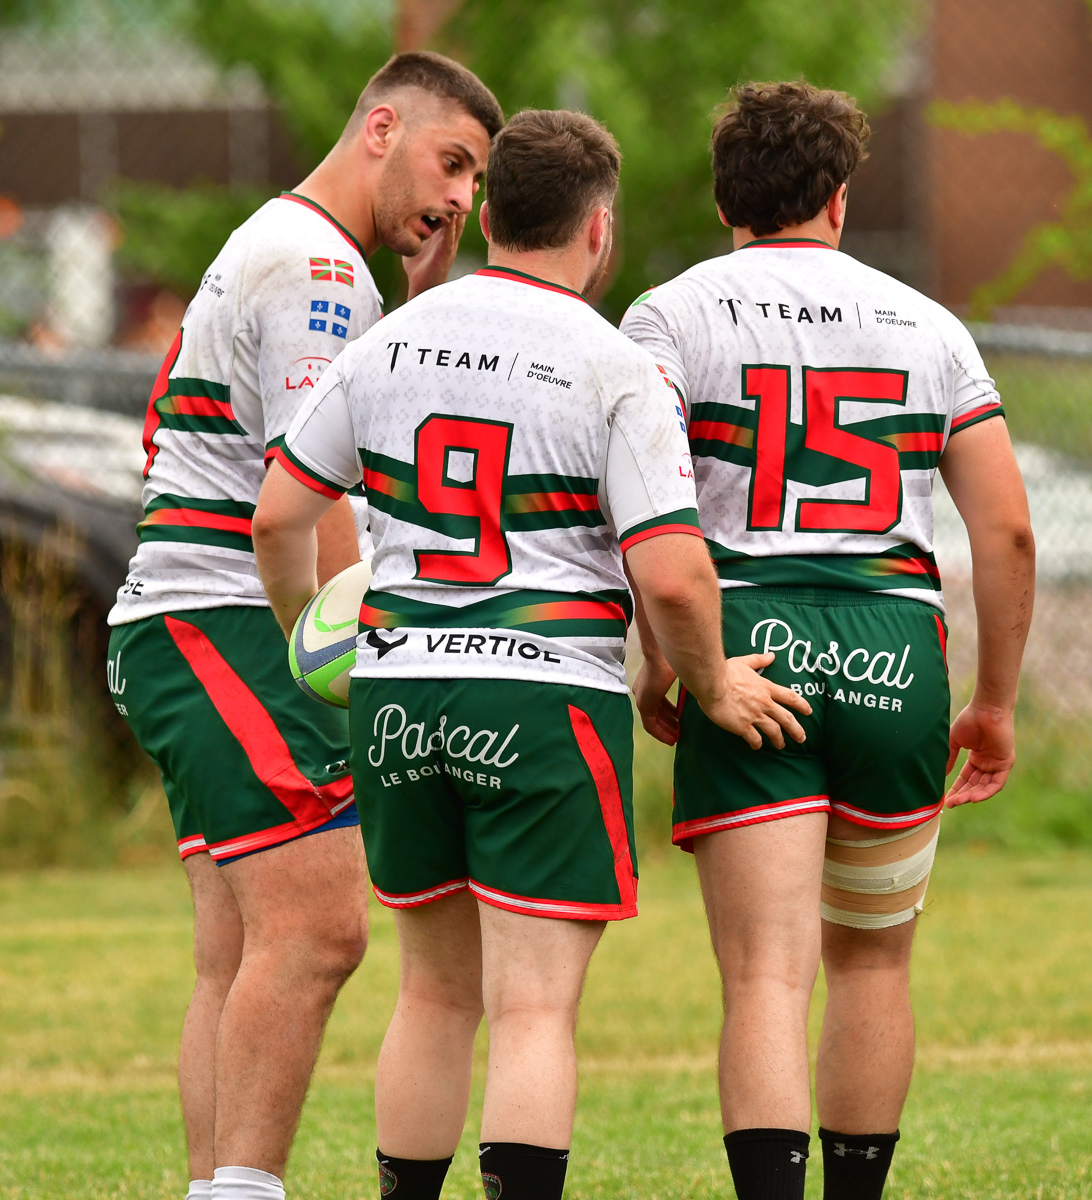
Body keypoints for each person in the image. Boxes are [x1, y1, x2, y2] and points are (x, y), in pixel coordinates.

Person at [252, 108, 811, 1200]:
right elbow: (674, 575)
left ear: (494, 212)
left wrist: (314, 644)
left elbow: (278, 515)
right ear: (599, 229)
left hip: (401, 691)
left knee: (431, 996)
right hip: (543, 695)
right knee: (533, 1008)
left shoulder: (388, 342)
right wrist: (706, 681)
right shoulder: (611, 367)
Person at [618, 81, 1037, 1200]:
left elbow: (639, 502)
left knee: (765, 975)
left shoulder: (669, 315)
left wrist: (663, 658)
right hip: (894, 644)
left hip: (745, 632)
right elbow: (1005, 528)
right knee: (872, 962)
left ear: (725, 201)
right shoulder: (929, 326)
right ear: (841, 201)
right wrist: (993, 701)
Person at [104, 52, 502, 1200]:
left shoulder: (292, 246)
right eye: (453, 162)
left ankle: (216, 1189)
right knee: (324, 930)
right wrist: (359, 654)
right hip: (228, 621)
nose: (461, 199)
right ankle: (242, 1188)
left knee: (237, 954)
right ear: (381, 128)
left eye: (477, 181)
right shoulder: (322, 269)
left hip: (186, 622)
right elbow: (308, 485)